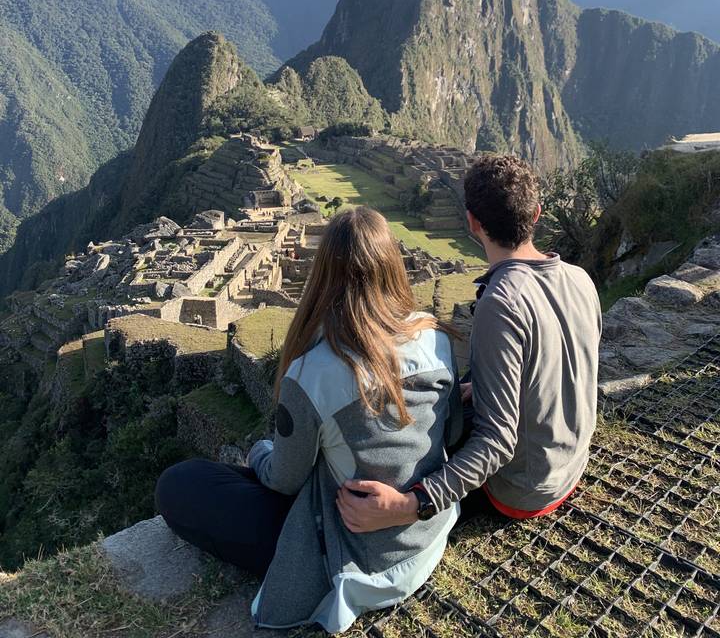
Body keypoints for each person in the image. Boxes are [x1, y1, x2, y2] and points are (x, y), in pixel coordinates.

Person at [155, 206, 461, 633]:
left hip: (353, 549)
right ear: (391, 265)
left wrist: (261, 452)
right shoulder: (436, 336)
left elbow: (285, 481)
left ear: (323, 275)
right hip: (424, 533)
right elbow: (451, 431)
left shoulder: (315, 371)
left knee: (181, 484)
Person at [336, 154, 602, 532]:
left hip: (522, 491)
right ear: (537, 213)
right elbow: (562, 363)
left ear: (473, 222)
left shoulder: (502, 302)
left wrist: (411, 504)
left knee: (402, 446)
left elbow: (497, 442)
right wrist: (484, 386)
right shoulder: (579, 279)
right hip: (570, 464)